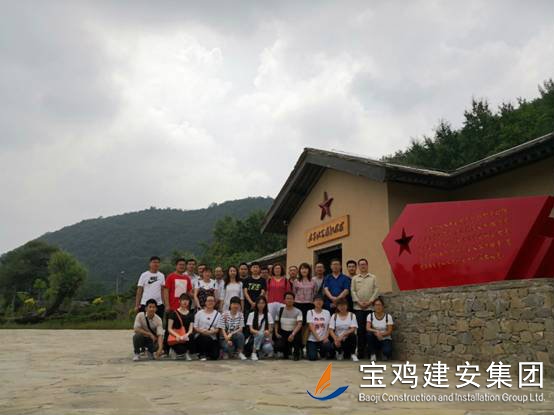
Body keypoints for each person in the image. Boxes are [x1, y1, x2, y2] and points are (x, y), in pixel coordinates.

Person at [351, 258, 380, 359]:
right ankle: (360, 352)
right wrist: (359, 302)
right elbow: (353, 291)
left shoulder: (373, 277)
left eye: (364, 264)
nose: (363, 266)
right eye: (361, 264)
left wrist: (370, 302)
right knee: (360, 331)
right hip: (358, 308)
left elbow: (376, 290)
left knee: (370, 331)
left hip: (370, 308)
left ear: (367, 265)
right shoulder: (355, 278)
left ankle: (371, 352)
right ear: (358, 267)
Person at [293, 262, 317, 345]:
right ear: (300, 270)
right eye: (302, 268)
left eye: (306, 268)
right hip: (298, 304)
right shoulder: (296, 281)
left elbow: (315, 293)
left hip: (309, 305)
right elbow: (294, 292)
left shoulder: (313, 281)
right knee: (298, 324)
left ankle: (304, 344)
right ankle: (297, 344)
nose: (304, 270)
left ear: (309, 270)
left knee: (307, 325)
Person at [274, 292, 303, 360]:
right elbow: (276, 323)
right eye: (287, 298)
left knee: (297, 337)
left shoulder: (298, 311)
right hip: (283, 332)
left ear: (294, 300)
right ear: (284, 300)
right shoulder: (280, 310)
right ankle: (286, 351)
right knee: (279, 346)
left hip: (293, 333)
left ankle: (296, 353)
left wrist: (292, 334)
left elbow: (299, 324)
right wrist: (276, 333)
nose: (289, 300)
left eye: (291, 299)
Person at [167, 293, 195, 360]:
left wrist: (186, 335)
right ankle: (175, 350)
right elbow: (169, 328)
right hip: (175, 336)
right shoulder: (173, 313)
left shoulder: (191, 314)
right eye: (183, 300)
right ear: (179, 301)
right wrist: (178, 336)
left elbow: (191, 329)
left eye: (187, 300)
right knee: (180, 349)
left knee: (191, 336)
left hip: (185, 336)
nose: (185, 302)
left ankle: (186, 352)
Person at [193, 295, 221, 360]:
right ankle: (202, 354)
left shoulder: (218, 314)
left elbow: (218, 329)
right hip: (200, 336)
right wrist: (202, 331)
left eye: (212, 301)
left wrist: (211, 332)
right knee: (205, 338)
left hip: (212, 337)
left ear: (215, 303)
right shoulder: (199, 313)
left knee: (215, 356)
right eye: (208, 301)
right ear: (205, 302)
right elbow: (195, 327)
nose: (210, 302)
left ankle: (207, 353)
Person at [246, 296, 274, 360]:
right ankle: (254, 352)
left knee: (268, 348)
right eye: (259, 303)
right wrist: (259, 333)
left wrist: (268, 331)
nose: (261, 305)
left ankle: (258, 351)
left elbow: (270, 329)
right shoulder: (251, 314)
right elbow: (251, 330)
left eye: (262, 303)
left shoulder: (268, 315)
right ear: (256, 304)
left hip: (264, 338)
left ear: (265, 304)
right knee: (259, 334)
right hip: (254, 338)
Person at [366, 297, 394, 361]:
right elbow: (368, 328)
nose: (378, 307)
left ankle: (383, 353)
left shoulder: (388, 316)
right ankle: (373, 354)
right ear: (373, 307)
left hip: (385, 338)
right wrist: (377, 332)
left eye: (379, 305)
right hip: (374, 338)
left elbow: (389, 331)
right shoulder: (370, 316)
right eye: (376, 305)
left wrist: (381, 334)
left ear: (383, 306)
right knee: (369, 334)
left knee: (387, 352)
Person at [306, 295, 332, 361]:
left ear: (323, 302)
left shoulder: (327, 312)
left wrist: (326, 337)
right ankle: (313, 352)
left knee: (328, 346)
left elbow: (329, 326)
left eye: (320, 300)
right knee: (312, 358)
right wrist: (318, 338)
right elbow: (311, 326)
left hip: (324, 338)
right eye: (317, 300)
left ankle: (322, 353)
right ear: (313, 302)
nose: (319, 302)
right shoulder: (310, 312)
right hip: (312, 339)